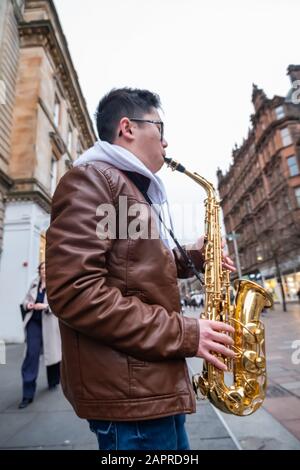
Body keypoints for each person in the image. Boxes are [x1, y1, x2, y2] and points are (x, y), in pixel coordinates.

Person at [46, 88, 236, 450]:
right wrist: (186, 333)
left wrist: (197, 256)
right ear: (127, 128)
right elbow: (75, 292)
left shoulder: (127, 186)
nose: (166, 141)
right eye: (159, 127)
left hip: (146, 390)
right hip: (131, 400)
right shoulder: (95, 180)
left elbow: (135, 267)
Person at [19, 261, 61, 409]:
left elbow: (59, 304)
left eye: (46, 268)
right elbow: (25, 301)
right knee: (31, 355)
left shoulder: (56, 284)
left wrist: (45, 306)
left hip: (49, 323)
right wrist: (28, 305)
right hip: (34, 323)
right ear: (39, 271)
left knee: (53, 354)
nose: (44, 270)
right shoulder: (34, 283)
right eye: (42, 268)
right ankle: (27, 394)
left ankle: (54, 380)